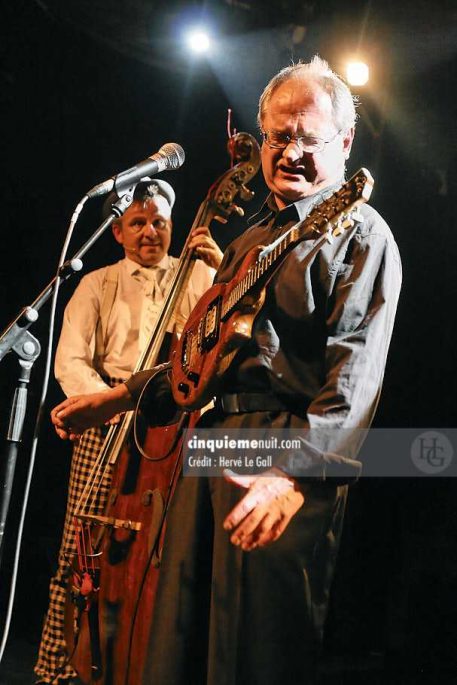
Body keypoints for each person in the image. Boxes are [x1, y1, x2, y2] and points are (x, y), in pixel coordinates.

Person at [51, 56, 402, 684]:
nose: (289, 152)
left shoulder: (361, 233)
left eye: (308, 138)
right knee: (179, 644)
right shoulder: (249, 238)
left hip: (282, 450)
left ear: (345, 143)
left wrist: (292, 477)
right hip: (210, 444)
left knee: (252, 654)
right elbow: (197, 356)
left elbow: (355, 376)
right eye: (277, 136)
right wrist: (121, 398)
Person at [34, 178, 222, 684]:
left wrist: (219, 271)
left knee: (158, 555)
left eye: (158, 222)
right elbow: (71, 359)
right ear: (117, 230)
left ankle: (141, 664)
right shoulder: (96, 282)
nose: (149, 232)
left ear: (172, 226)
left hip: (169, 426)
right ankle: (61, 668)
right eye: (137, 223)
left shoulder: (196, 278)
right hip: (108, 422)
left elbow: (215, 346)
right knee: (81, 547)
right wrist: (110, 407)